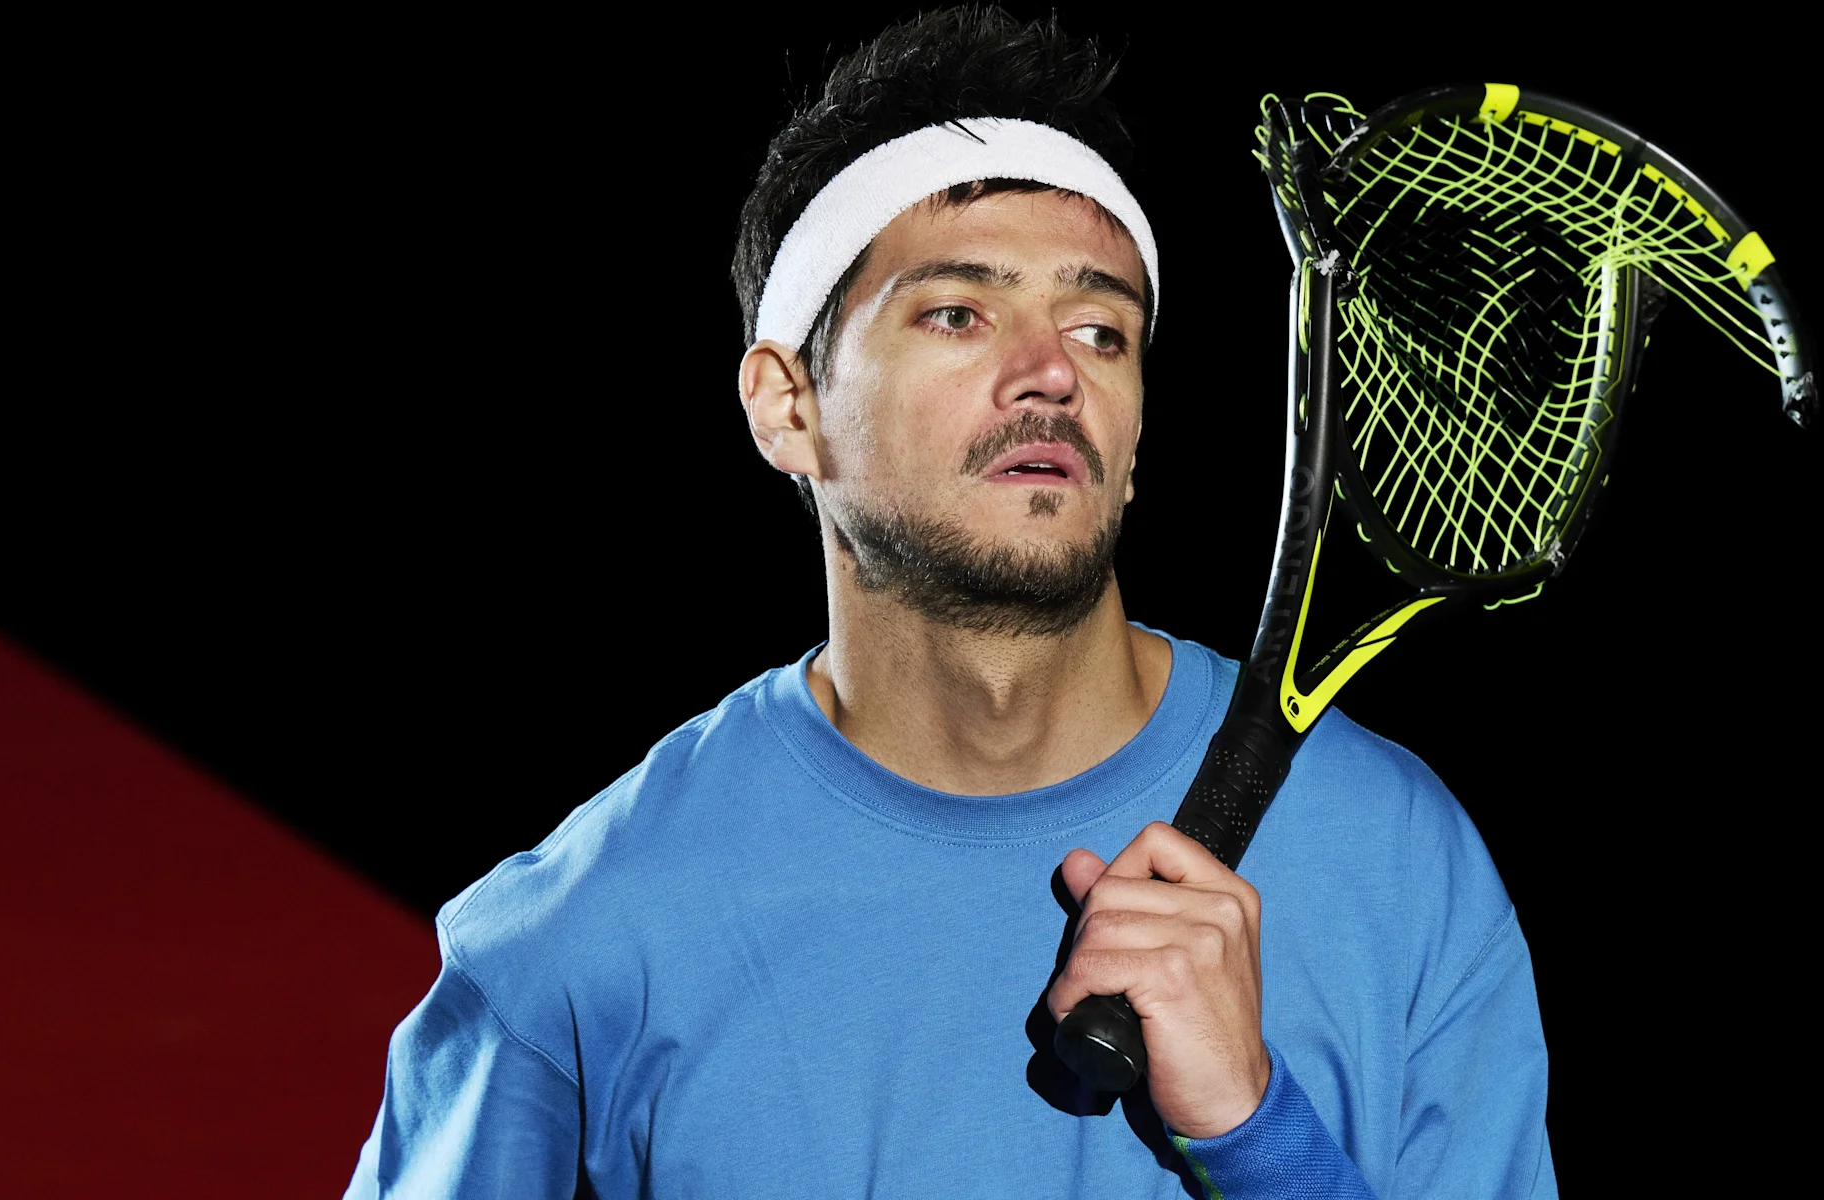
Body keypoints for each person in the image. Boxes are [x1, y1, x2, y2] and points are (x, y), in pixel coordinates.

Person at [344, 8, 1554, 1197]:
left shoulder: (1399, 858)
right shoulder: (577, 947)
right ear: (787, 407)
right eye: (957, 314)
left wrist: (1257, 1137)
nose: (1050, 374)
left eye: (1101, 330)